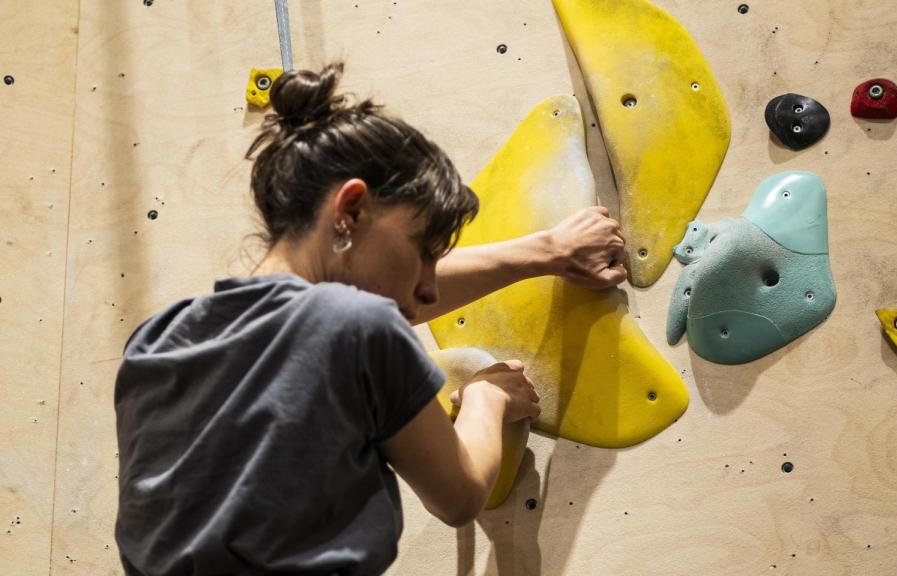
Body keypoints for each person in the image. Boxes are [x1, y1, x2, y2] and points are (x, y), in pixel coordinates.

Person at [114, 61, 627, 576]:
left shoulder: (159, 340)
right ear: (352, 210)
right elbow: (460, 494)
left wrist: (547, 251)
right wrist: (486, 397)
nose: (428, 286)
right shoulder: (357, 329)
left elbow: (346, 312)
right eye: (424, 251)